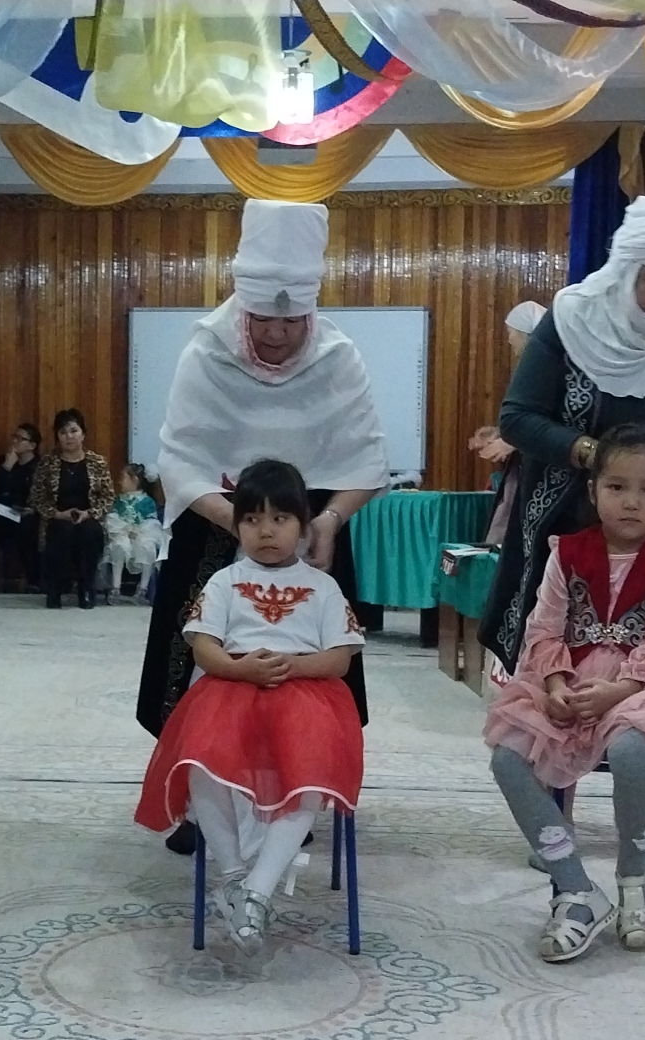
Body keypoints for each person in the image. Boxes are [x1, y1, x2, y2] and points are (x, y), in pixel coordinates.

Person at [138, 198, 389, 855]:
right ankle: (200, 802)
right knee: (203, 666)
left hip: (311, 529)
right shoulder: (206, 352)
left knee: (302, 671)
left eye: (291, 321)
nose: (276, 334)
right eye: (263, 320)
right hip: (216, 524)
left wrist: (326, 521)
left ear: (310, 312)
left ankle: (289, 797)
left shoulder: (338, 357)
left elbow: (367, 462)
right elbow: (177, 459)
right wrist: (242, 522)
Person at [486, 425, 645, 962]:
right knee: (508, 757)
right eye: (617, 487)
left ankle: (635, 877)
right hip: (567, 680)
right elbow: (544, 627)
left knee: (631, 748)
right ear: (593, 489)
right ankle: (575, 888)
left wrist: (619, 691)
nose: (631, 502)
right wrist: (555, 682)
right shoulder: (566, 553)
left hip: (642, 688)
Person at [483, 196, 645, 680]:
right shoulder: (571, 318)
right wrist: (598, 457)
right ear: (627, 271)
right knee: (555, 667)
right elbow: (518, 419)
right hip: (562, 518)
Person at [135, 460, 365, 955]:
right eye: (253, 519)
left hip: (304, 696)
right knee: (199, 763)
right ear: (236, 525)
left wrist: (292, 666)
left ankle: (257, 892)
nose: (266, 531)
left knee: (310, 775)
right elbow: (203, 647)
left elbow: (340, 659)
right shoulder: (224, 581)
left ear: (304, 526)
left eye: (280, 519)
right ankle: (234, 877)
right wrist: (239, 670)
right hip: (231, 691)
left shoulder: (323, 587)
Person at [476, 301, 546, 546]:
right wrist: (501, 433)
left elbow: (550, 420)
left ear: (524, 334)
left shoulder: (545, 369)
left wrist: (512, 441)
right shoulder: (529, 369)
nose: (508, 340)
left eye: (511, 333)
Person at [28, 408, 114, 610]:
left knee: (89, 532)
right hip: (57, 517)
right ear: (57, 436)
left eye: (74, 431)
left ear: (83, 434)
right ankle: (55, 589)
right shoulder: (47, 463)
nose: (69, 436)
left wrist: (89, 513)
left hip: (88, 517)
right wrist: (57, 514)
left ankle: (86, 589)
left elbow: (108, 497)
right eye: (63, 432)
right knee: (62, 531)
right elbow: (36, 497)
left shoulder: (97, 462)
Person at [0, 422, 41, 589]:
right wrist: (7, 466)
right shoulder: (3, 461)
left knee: (28, 526)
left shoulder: (39, 466)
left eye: (20, 439)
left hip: (28, 513)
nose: (15, 441)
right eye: (14, 437)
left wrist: (33, 509)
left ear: (32, 445)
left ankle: (31, 579)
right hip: (4, 511)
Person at [101, 463, 165, 599]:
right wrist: (123, 529)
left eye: (123, 478)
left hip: (142, 535)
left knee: (148, 548)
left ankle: (143, 588)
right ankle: (116, 586)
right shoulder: (119, 500)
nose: (120, 482)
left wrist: (139, 531)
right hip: (122, 534)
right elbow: (113, 518)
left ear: (135, 480)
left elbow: (152, 522)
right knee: (119, 546)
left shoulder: (148, 501)